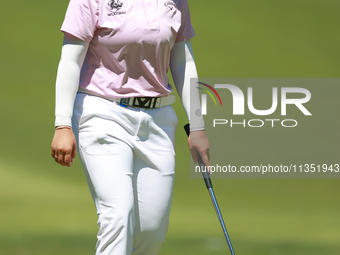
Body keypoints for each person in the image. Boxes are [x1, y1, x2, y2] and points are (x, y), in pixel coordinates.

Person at [50, 0, 210, 254]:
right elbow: (70, 60)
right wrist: (62, 124)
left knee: (151, 231)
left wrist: (197, 125)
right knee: (118, 215)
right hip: (103, 113)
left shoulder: (177, 2)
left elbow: (183, 61)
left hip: (159, 120)